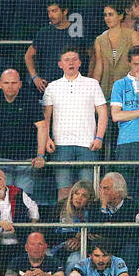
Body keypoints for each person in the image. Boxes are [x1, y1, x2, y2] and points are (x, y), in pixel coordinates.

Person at [42, 47, 107, 199]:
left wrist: (99, 138)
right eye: (66, 60)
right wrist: (47, 138)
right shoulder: (52, 87)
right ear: (60, 64)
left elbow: (103, 113)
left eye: (74, 59)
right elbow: (46, 117)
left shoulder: (92, 84)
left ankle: (85, 223)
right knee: (64, 191)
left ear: (80, 63)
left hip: (87, 145)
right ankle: (65, 223)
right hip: (61, 146)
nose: (70, 63)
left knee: (87, 192)